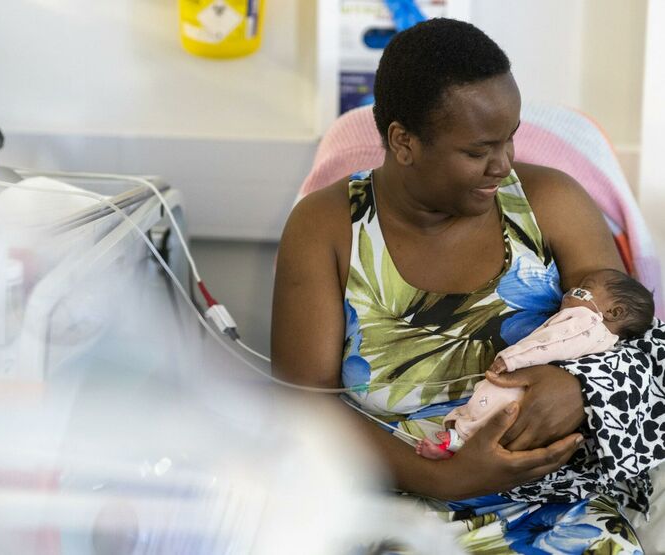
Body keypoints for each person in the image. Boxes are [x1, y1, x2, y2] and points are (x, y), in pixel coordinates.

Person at [272, 18, 646, 554]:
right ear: (404, 141)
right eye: (478, 151)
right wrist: (445, 478)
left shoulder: (552, 202)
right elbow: (303, 405)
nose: (504, 164)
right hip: (391, 503)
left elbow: (630, 337)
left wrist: (580, 388)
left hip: (556, 502)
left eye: (511, 137)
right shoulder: (326, 228)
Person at [416, 268, 655, 460]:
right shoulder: (609, 343)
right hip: (543, 410)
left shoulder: (586, 321)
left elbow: (549, 344)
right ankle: (455, 445)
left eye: (584, 290)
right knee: (496, 430)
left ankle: (453, 443)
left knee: (487, 406)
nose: (572, 291)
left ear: (613, 311)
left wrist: (510, 359)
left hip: (521, 387)